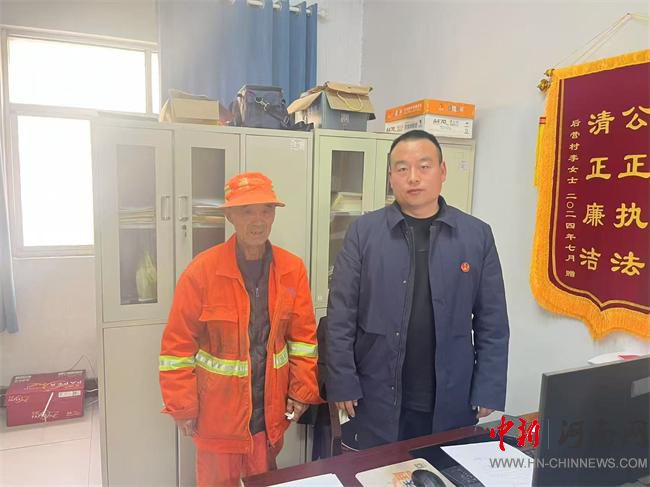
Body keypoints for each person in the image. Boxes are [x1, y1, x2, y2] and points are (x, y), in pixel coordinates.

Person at [326, 129, 510, 449]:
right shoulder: (364, 233)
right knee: (378, 471)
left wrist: (488, 387)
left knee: (444, 469)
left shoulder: (476, 235)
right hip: (376, 393)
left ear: (442, 171)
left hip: (451, 395)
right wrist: (342, 381)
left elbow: (492, 321)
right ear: (390, 177)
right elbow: (341, 314)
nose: (413, 177)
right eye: (402, 168)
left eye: (424, 166)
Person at [159, 172, 321, 486]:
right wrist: (182, 405)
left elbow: (303, 338)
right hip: (217, 419)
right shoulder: (202, 272)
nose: (258, 221)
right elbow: (177, 348)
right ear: (230, 216)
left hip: (268, 418)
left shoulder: (292, 269)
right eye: (247, 211)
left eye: (266, 210)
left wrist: (301, 392)